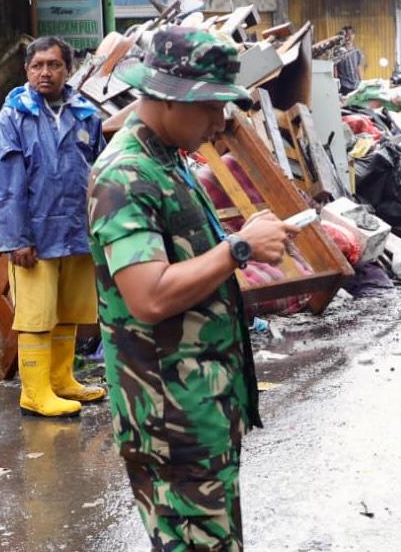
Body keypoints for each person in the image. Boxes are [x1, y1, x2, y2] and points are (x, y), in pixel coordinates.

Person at [88, 27, 299, 550]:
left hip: (198, 403)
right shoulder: (126, 175)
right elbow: (149, 295)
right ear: (167, 97)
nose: (221, 121)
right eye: (210, 105)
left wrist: (244, 242)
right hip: (170, 415)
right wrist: (240, 249)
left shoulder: (167, 157)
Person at [0, 36, 106, 417]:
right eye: (38, 65)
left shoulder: (86, 115)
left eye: (54, 65)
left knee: (70, 309)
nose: (45, 72)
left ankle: (61, 380)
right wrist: (16, 239)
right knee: (37, 315)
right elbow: (6, 186)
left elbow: (102, 174)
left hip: (76, 231)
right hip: (34, 237)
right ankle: (35, 391)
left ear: (67, 70)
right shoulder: (13, 117)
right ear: (27, 70)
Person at [334, 25, 366, 96]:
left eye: (350, 34)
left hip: (356, 85)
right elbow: (335, 68)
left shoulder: (357, 51)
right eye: (346, 34)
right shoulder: (338, 51)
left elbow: (359, 68)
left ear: (353, 35)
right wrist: (336, 84)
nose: (348, 36)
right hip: (344, 85)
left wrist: (363, 83)